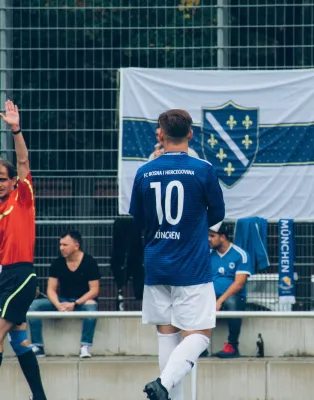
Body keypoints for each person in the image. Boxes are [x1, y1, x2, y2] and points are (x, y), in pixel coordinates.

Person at [129, 109, 225, 400]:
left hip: (157, 263)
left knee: (167, 337)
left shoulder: (145, 171)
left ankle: (164, 389)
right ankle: (162, 384)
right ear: (191, 134)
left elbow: (139, 218)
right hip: (191, 265)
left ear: (160, 134)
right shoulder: (202, 169)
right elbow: (218, 213)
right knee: (199, 335)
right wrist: (190, 227)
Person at [0, 100, 48, 399]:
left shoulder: (22, 199)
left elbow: (23, 162)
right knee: (19, 341)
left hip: (21, 277)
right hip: (4, 277)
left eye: (2, 179)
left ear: (13, 181)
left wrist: (16, 130)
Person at [28, 230, 101, 359]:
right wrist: (58, 305)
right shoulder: (58, 262)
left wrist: (75, 303)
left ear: (76, 245)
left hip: (81, 302)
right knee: (34, 306)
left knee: (91, 307)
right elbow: (50, 289)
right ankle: (38, 346)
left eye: (65, 245)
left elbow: (94, 290)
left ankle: (85, 346)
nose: (61, 248)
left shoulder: (89, 262)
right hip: (63, 300)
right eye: (60, 244)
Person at [208, 222, 251, 358]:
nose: (208, 239)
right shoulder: (207, 254)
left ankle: (232, 346)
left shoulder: (240, 255)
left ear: (222, 237)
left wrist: (220, 301)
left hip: (233, 298)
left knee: (232, 302)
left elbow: (239, 284)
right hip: (210, 296)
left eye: (212, 236)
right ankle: (198, 346)